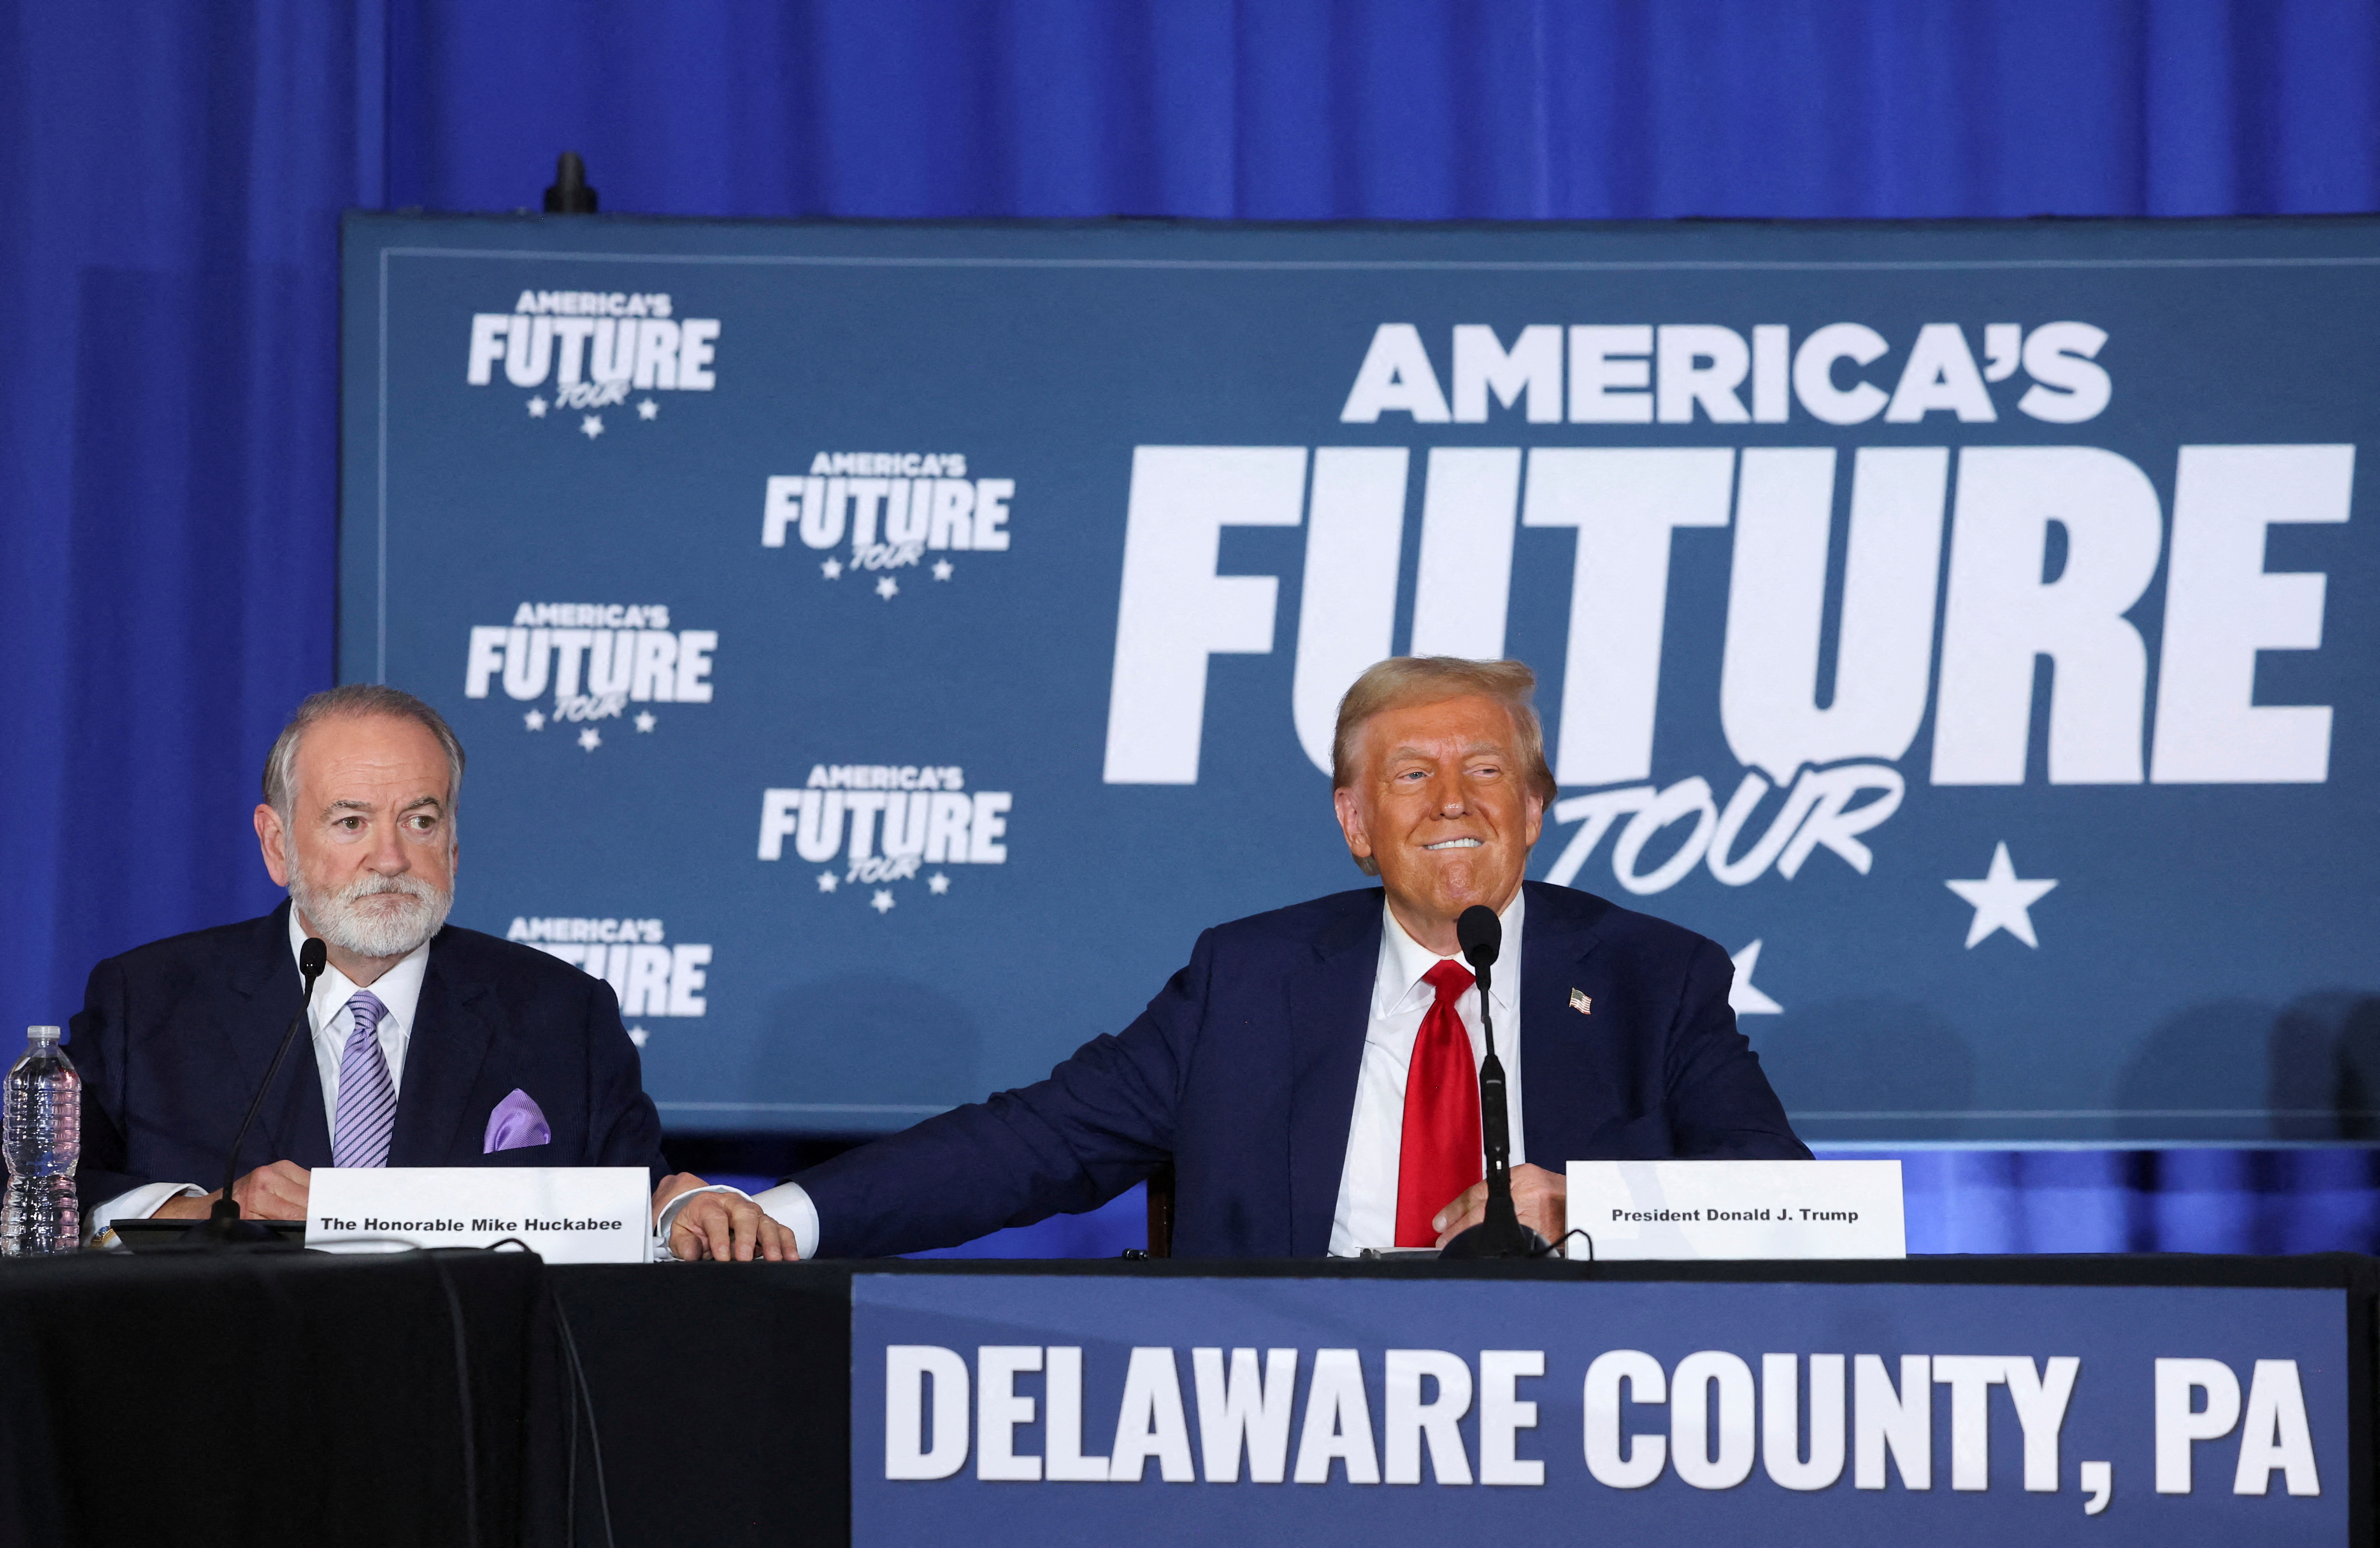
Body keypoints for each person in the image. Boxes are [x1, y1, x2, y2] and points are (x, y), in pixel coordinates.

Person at [759, 656, 1807, 1258]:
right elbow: (1036, 1142)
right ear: (1356, 823)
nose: (1453, 800)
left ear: (1533, 811)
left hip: (1567, 1415)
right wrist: (778, 1218)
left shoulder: (1653, 979)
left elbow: (1791, 1207)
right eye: (1412, 775)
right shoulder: (1250, 981)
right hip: (1291, 1415)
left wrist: (1592, 1209)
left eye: (1488, 770)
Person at [71, 684, 793, 1261]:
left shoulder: (562, 1014)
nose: (390, 858)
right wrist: (191, 1212)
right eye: (351, 822)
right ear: (277, 843)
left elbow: (638, 1202)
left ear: (453, 843)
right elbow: (47, 1190)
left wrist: (683, 1210)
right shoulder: (150, 1003)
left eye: (420, 820)